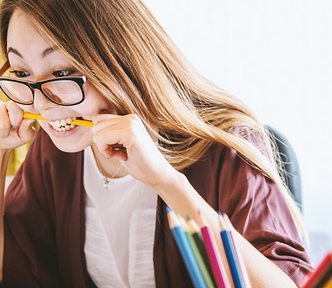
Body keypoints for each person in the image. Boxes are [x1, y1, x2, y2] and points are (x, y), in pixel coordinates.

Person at [0, 0, 312, 287]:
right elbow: (16, 268)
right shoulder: (56, 149)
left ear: (120, 59)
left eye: (63, 72)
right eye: (22, 73)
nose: (40, 104)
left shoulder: (225, 147)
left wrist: (167, 182)